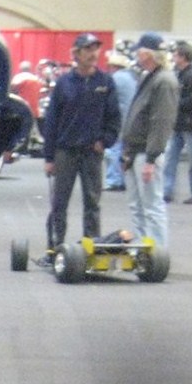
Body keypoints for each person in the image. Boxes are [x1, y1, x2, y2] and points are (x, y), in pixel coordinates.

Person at [39, 33, 120, 257]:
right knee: (59, 203)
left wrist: (104, 141)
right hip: (65, 152)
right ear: (76, 53)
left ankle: (91, 249)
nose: (93, 54)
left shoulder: (105, 82)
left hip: (92, 152)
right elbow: (52, 121)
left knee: (92, 203)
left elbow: (114, 118)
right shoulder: (64, 83)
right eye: (88, 49)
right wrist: (49, 157)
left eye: (96, 49)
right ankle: (55, 248)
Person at [119, 32, 179, 248]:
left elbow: (161, 121)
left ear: (148, 54)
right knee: (138, 206)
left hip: (147, 152)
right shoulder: (152, 77)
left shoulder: (164, 81)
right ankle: (143, 249)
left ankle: (157, 253)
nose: (137, 54)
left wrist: (151, 159)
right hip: (137, 150)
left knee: (152, 206)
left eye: (140, 51)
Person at [163, 41, 192, 204]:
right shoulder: (180, 74)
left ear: (183, 57)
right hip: (179, 123)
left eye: (176, 55)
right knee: (170, 157)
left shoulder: (191, 76)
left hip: (190, 123)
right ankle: (166, 190)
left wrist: (174, 103)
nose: (173, 57)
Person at [103, 50, 139, 190]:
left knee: (113, 149)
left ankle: (114, 180)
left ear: (113, 66)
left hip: (119, 119)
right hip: (131, 118)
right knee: (124, 149)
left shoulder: (115, 78)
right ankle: (123, 178)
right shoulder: (131, 78)